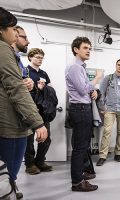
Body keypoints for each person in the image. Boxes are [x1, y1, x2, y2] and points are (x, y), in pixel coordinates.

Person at [0, 7, 48, 199]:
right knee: (7, 174)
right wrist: (37, 122)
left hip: (14, 118)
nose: (16, 33)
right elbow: (15, 88)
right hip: (11, 122)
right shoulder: (3, 49)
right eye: (13, 29)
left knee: (6, 176)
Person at [65, 36, 101, 192]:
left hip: (82, 108)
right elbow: (82, 89)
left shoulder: (80, 67)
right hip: (80, 109)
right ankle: (77, 182)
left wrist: (93, 92)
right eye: (85, 48)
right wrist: (97, 79)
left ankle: (81, 174)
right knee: (80, 148)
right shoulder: (75, 67)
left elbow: (85, 89)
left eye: (89, 48)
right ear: (76, 49)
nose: (88, 51)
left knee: (82, 145)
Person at [96, 59, 120, 166]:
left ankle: (118, 153)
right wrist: (102, 107)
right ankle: (103, 156)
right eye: (118, 65)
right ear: (116, 65)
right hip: (110, 109)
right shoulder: (108, 78)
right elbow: (101, 93)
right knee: (107, 131)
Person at [24, 48, 54, 175]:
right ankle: (30, 164)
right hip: (30, 109)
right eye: (37, 57)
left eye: (41, 57)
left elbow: (51, 90)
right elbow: (22, 90)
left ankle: (40, 161)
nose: (40, 59)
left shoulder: (44, 73)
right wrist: (37, 88)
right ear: (30, 57)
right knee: (29, 139)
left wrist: (43, 88)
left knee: (46, 138)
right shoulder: (25, 71)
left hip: (43, 110)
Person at [12, 25, 34, 92]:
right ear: (14, 36)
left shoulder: (18, 58)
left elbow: (22, 79)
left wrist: (29, 81)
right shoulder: (7, 57)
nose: (28, 42)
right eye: (24, 37)